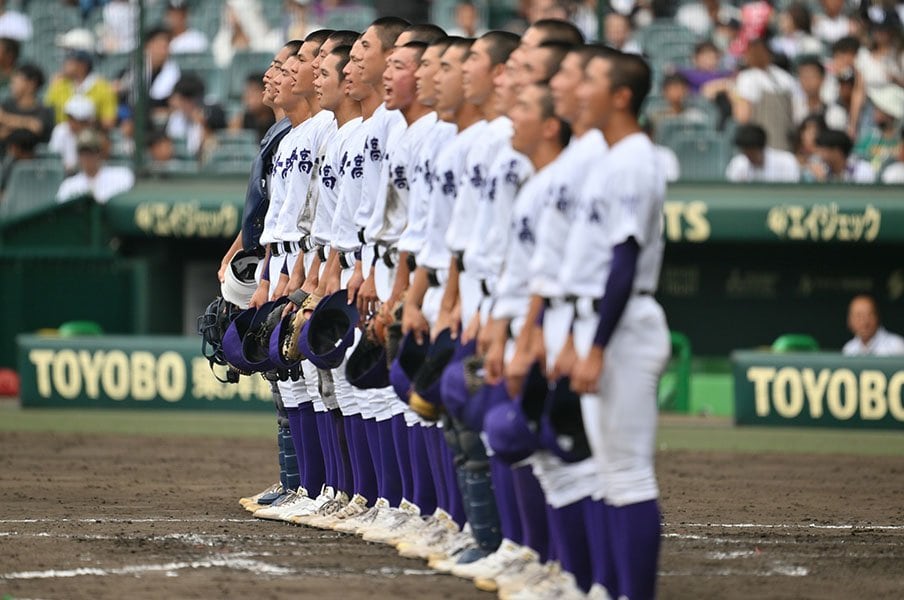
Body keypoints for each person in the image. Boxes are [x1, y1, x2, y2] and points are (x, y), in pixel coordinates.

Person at [562, 48, 670, 600]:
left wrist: (597, 345)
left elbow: (624, 260)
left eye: (594, 81)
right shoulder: (608, 156)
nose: (581, 90)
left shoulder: (633, 159)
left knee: (626, 474)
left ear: (622, 95)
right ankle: (607, 589)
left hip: (623, 323)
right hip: (602, 320)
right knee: (605, 473)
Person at [732, 37, 796, 152]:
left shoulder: (747, 78)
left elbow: (742, 116)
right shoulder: (785, 77)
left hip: (760, 148)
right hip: (785, 145)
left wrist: (731, 96)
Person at [56, 128, 134, 204]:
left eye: (91, 152)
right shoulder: (68, 186)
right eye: (83, 152)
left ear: (99, 153)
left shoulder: (121, 176)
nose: (87, 157)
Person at [44, 49, 118, 129]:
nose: (65, 65)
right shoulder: (59, 84)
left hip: (92, 134)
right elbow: (47, 109)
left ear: (83, 65)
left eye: (70, 62)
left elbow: (109, 122)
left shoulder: (103, 87)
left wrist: (82, 122)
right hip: (62, 133)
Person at [0, 63, 55, 150]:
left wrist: (6, 122)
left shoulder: (44, 110)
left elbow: (36, 129)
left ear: (31, 83)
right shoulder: (7, 105)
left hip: (37, 162)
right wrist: (27, 123)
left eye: (17, 79)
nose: (12, 84)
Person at [726, 123, 800, 182]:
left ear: (761, 148)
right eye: (745, 152)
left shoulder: (786, 161)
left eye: (752, 152)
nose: (749, 156)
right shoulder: (738, 164)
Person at [48, 94, 96, 173]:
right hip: (62, 174)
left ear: (87, 121)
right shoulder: (60, 131)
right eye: (70, 118)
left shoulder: (94, 134)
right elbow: (53, 161)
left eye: (77, 120)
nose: (72, 123)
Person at [808, 127, 874, 183]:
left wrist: (823, 181)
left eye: (823, 151)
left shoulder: (863, 170)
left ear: (837, 152)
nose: (820, 155)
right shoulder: (820, 171)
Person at [229, 73, 276, 142]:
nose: (247, 97)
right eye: (246, 92)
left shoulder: (278, 119)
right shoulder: (241, 121)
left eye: (253, 91)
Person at [0, 126, 37, 192]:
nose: (9, 151)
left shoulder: (43, 169)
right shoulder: (9, 165)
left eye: (10, 147)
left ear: (16, 148)